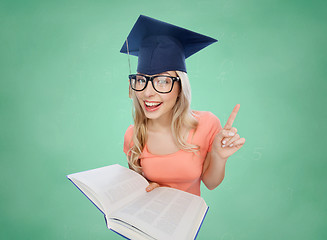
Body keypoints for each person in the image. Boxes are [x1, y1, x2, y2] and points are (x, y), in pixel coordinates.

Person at [121, 15, 245, 196]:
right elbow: (138, 189)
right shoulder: (133, 135)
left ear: (180, 87)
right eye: (141, 80)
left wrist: (218, 156)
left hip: (189, 221)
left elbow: (211, 183)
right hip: (149, 220)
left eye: (162, 81)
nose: (148, 93)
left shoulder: (207, 124)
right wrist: (147, 189)